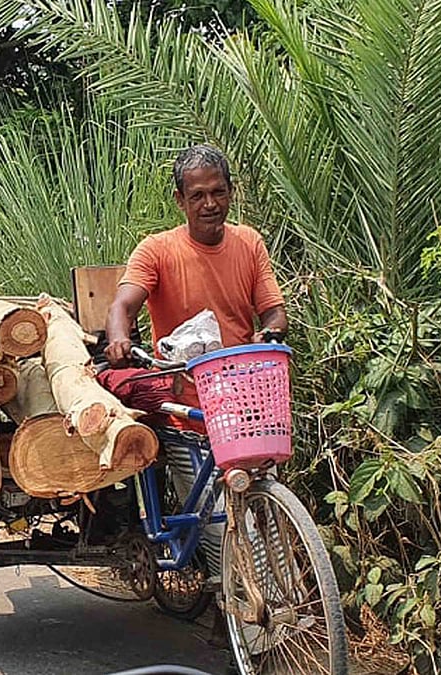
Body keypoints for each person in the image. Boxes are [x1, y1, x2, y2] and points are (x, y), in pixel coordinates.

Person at [103, 144, 288, 587]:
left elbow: (273, 311)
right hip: (186, 406)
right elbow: (123, 305)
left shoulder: (249, 243)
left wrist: (270, 332)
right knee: (222, 525)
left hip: (246, 401)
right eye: (198, 195)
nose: (210, 204)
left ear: (231, 192)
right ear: (180, 200)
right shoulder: (157, 250)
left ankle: (286, 600)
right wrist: (119, 337)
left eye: (218, 192)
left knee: (270, 514)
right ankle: (238, 606)